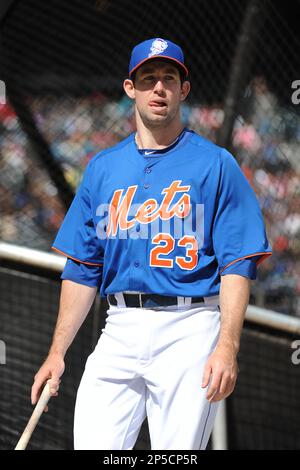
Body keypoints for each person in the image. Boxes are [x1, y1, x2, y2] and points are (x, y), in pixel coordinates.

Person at [31, 38, 272, 450]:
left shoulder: (216, 164)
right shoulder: (103, 168)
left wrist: (227, 347)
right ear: (131, 89)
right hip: (119, 326)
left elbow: (237, 264)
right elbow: (83, 268)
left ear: (183, 90)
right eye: (148, 79)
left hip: (191, 327)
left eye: (168, 78)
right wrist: (57, 353)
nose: (158, 88)